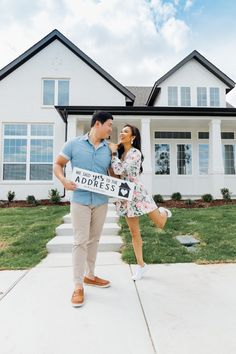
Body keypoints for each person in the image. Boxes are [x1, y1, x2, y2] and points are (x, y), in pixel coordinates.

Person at [54, 111, 113, 307]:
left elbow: (113, 175)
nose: (111, 129)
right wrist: (63, 180)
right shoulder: (73, 144)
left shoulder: (108, 149)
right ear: (98, 124)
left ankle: (90, 275)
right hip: (79, 200)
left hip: (101, 201)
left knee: (94, 240)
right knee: (80, 241)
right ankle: (78, 286)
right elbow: (58, 164)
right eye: (109, 125)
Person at [109, 124, 172, 281]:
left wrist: (113, 153)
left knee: (160, 224)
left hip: (139, 195)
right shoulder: (121, 154)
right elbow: (114, 173)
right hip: (125, 195)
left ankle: (163, 212)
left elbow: (121, 170)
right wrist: (114, 155)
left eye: (126, 132)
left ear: (133, 137)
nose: (122, 133)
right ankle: (141, 266)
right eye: (121, 131)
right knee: (134, 233)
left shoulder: (135, 153)